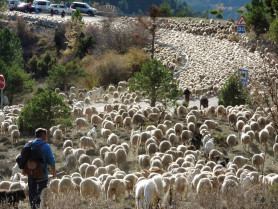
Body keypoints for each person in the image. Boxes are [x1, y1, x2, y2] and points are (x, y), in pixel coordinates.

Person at [23, 128, 56, 209]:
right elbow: (51, 160)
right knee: (41, 192)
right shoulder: (46, 146)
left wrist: (23, 169)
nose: (46, 136)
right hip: (42, 174)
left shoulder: (28, 144)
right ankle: (36, 205)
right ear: (42, 135)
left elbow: (23, 158)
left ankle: (32, 207)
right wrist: (54, 172)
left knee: (31, 192)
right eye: (45, 134)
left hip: (30, 173)